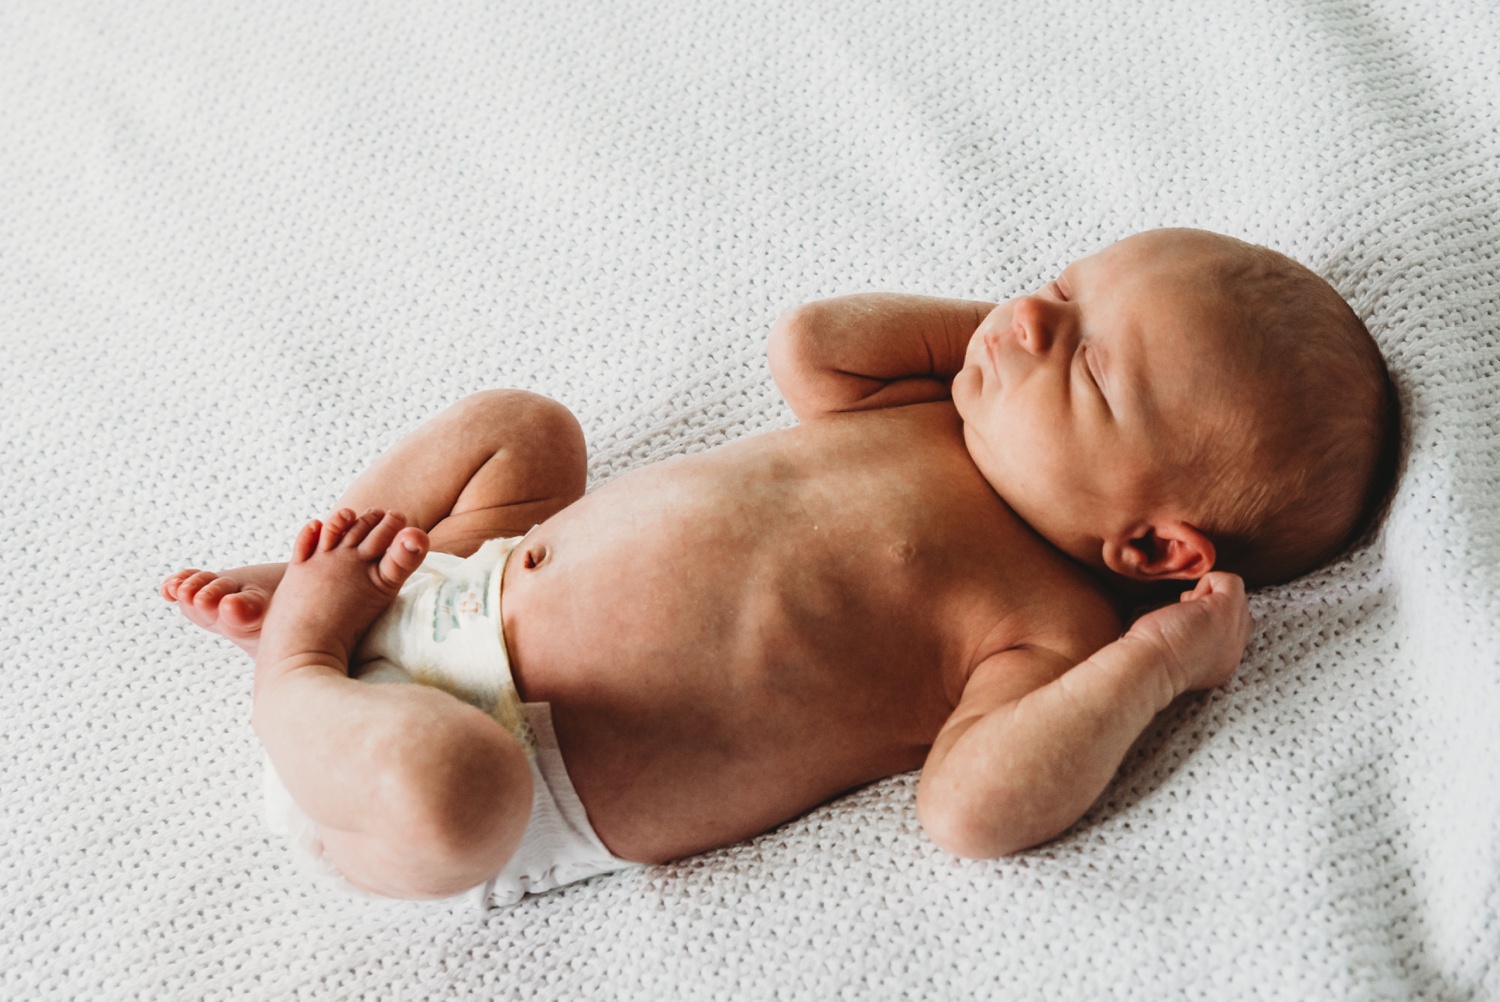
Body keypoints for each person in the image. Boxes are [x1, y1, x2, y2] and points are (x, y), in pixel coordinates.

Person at [161, 228, 1398, 905]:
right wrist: (1022, 359)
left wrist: (1158, 665)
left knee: (456, 795)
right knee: (524, 426)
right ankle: (333, 567)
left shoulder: (1049, 625)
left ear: (1154, 548)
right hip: (455, 576)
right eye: (1063, 287)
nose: (1022, 318)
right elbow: (812, 341)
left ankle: (303, 666)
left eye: (1082, 361)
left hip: (469, 765)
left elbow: (971, 809)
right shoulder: (927, 409)